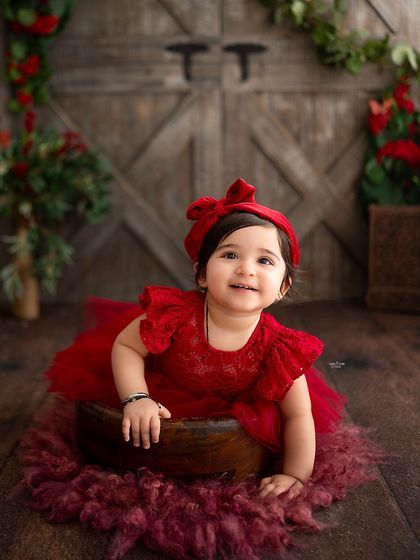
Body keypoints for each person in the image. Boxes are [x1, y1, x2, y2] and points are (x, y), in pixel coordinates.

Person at [47, 177, 345, 500]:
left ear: (283, 286)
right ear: (201, 272)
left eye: (264, 260)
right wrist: (136, 397)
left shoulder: (278, 348)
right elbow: (127, 346)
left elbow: (297, 415)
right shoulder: (175, 315)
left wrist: (294, 474)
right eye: (230, 255)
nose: (246, 269)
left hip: (232, 432)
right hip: (164, 396)